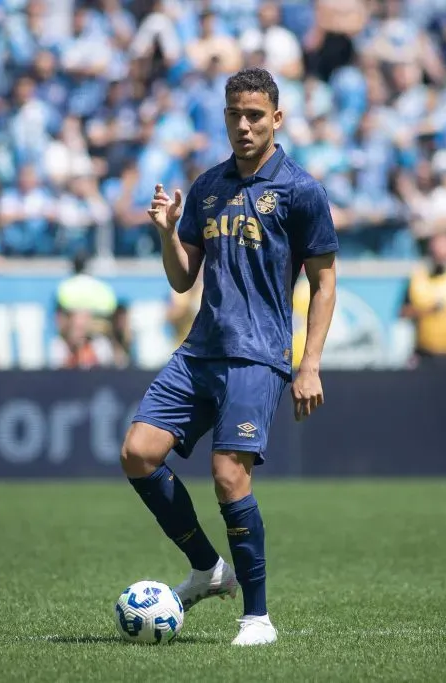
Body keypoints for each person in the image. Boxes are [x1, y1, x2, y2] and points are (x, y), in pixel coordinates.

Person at [119, 68, 338, 647]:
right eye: (234, 115)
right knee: (138, 453)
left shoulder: (301, 190)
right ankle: (208, 568)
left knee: (227, 476)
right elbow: (182, 279)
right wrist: (168, 233)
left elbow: (324, 282)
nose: (244, 125)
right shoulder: (208, 187)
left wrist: (309, 363)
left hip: (258, 354)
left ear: (277, 119)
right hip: (201, 350)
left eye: (255, 115)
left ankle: (257, 619)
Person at [399, 233, 446, 368]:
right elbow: (404, 312)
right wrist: (426, 310)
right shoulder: (417, 279)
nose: (441, 257)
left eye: (445, 253)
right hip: (423, 353)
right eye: (437, 252)